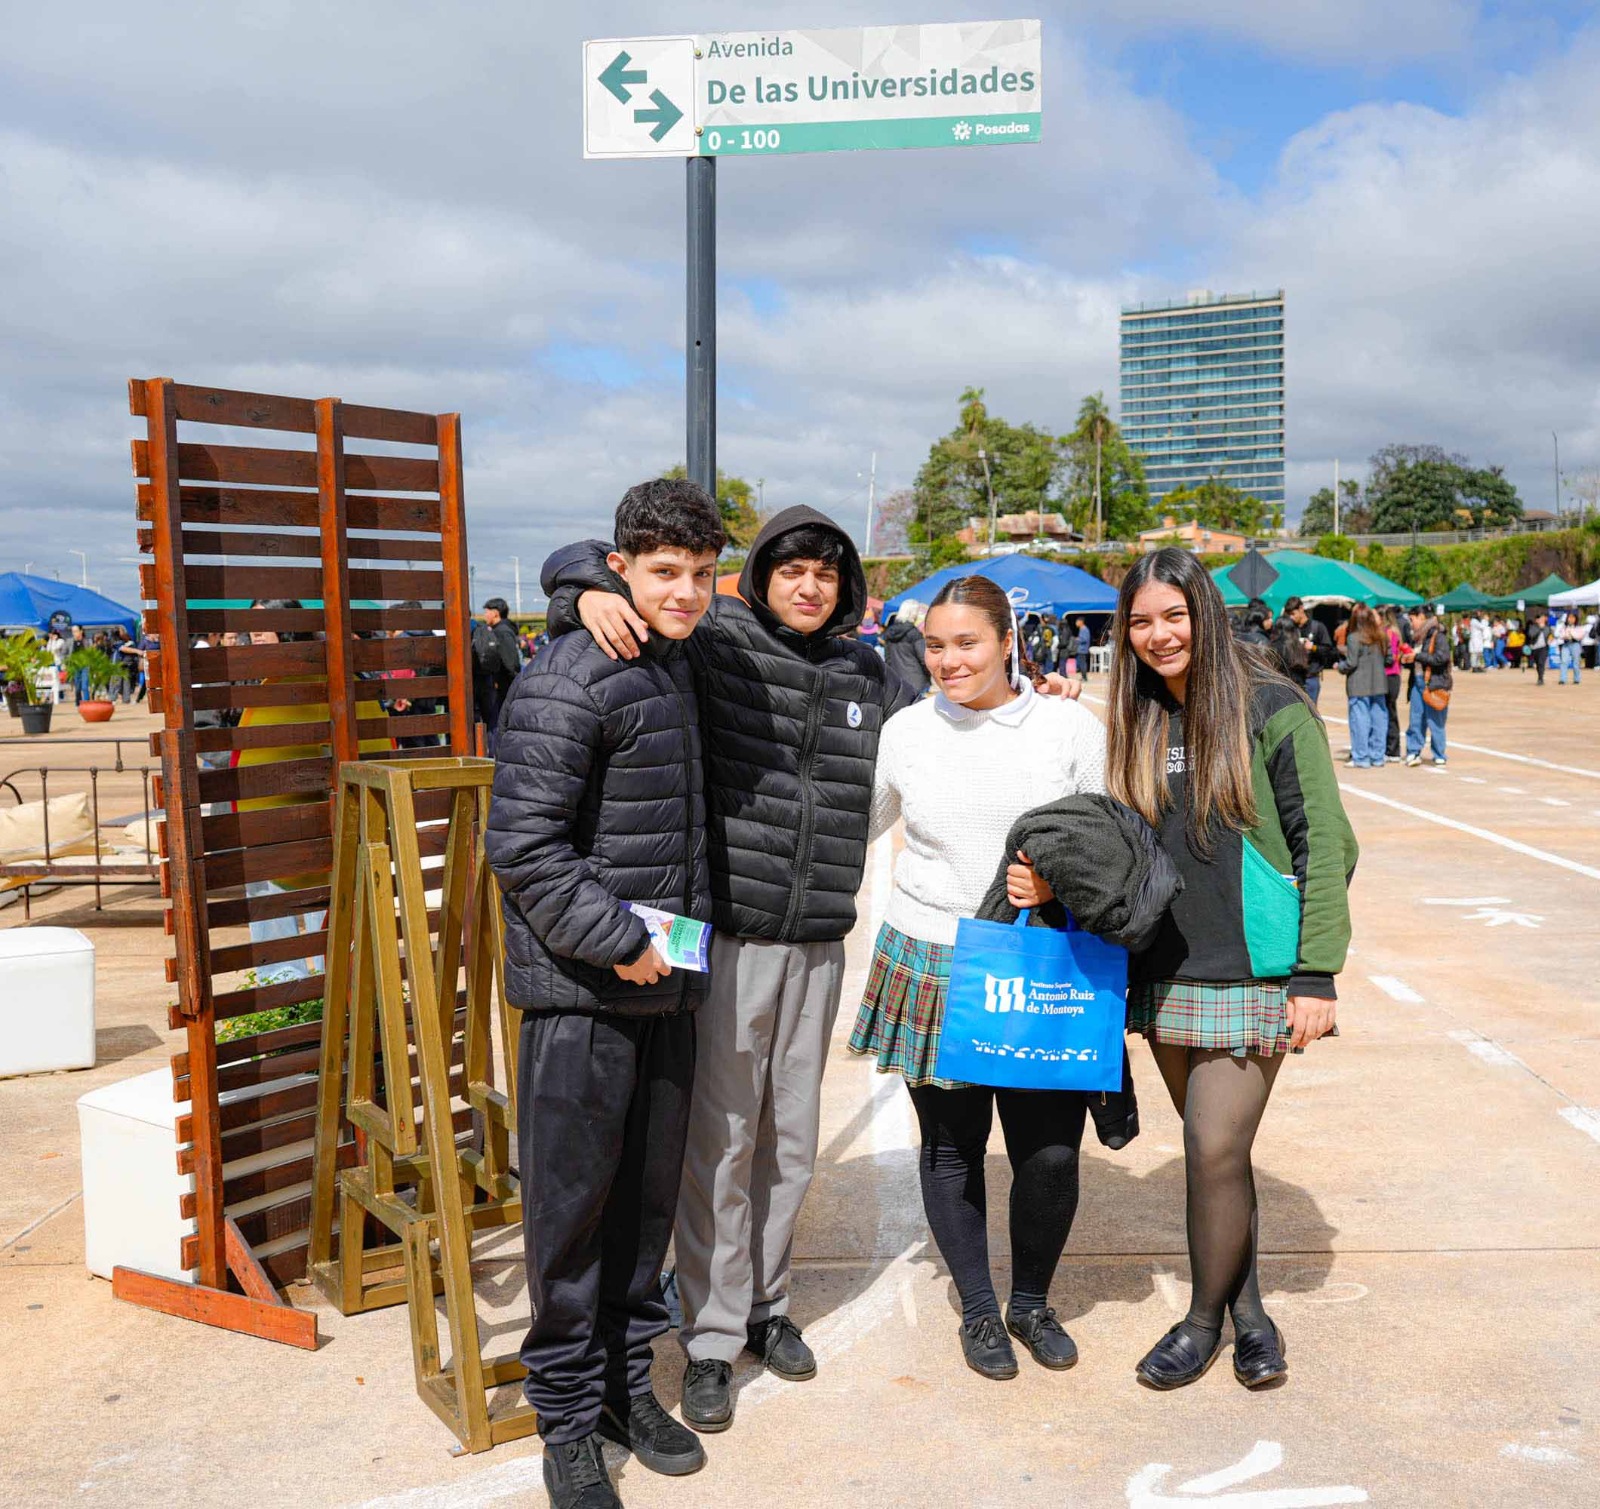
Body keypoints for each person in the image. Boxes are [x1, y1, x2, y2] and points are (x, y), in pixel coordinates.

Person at [542, 504, 919, 1436]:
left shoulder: (864, 668)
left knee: (791, 1138)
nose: (808, 585)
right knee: (719, 1140)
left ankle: (765, 1304)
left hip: (821, 937)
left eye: (827, 572)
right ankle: (709, 1335)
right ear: (756, 576)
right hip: (731, 935)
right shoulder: (719, 641)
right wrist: (582, 584)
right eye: (790, 568)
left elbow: (950, 691)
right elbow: (605, 567)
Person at [486, 478, 725, 1509]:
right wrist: (618, 939)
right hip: (582, 997)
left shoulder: (675, 663)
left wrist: (657, 960)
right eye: (665, 572)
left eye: (702, 574)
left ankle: (631, 1389)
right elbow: (524, 848)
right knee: (571, 1225)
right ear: (621, 568)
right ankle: (569, 1425)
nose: (687, 592)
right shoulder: (567, 677)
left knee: (642, 1219)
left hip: (666, 993)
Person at [1107, 548, 1356, 1391]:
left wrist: (1316, 973)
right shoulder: (1136, 714)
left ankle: (1202, 1321)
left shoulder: (1272, 705)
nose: (1157, 634)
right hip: (1165, 968)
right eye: (1140, 621)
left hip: (1254, 969)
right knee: (1219, 1153)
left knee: (1213, 1145)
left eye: (1172, 615)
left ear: (1204, 613)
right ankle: (1251, 1315)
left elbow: (1329, 844)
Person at [849, 575, 1108, 1382]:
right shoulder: (905, 731)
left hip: (1040, 960)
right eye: (935, 644)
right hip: (935, 955)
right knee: (953, 1148)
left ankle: (1031, 1301)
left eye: (967, 642)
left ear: (1008, 640)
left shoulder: (1068, 724)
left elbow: (1109, 840)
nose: (949, 660)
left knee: (1051, 1153)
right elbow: (856, 824)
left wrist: (1061, 882)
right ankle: (981, 1309)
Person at [1338, 606, 1390, 768]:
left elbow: (1351, 663)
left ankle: (1361, 756)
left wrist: (1340, 666)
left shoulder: (1354, 638)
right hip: (1379, 683)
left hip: (1359, 685)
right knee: (1379, 720)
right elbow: (1389, 659)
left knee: (1359, 721)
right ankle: (1377, 756)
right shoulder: (1381, 636)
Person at [1402, 604, 1452, 767]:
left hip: (1434, 683)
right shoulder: (1417, 637)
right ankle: (1413, 751)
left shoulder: (1438, 635)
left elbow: (1441, 659)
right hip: (1417, 682)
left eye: (1412, 619)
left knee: (1436, 720)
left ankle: (1439, 753)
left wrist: (1417, 656)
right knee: (1416, 719)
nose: (1411, 623)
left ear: (1422, 617)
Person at [472, 597, 521, 755]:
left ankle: (497, 755)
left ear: (495, 613)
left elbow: (510, 661)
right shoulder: (505, 630)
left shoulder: (502, 632)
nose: (485, 616)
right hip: (505, 685)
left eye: (487, 612)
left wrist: (508, 681)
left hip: (505, 685)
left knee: (498, 722)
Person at [881, 606, 932, 697]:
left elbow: (888, 659)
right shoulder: (913, 633)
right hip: (917, 680)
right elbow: (924, 658)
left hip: (898, 682)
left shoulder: (889, 632)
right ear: (913, 614)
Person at [1380, 607, 1404, 762]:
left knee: (1387, 712)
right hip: (1395, 674)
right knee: (1391, 711)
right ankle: (1393, 748)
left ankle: (1391, 748)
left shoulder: (1387, 633)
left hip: (1388, 674)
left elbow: (1389, 656)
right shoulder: (1396, 632)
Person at [1557, 613, 1584, 685]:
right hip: (1566, 644)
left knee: (1576, 662)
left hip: (1575, 644)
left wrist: (1571, 632)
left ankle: (1576, 679)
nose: (1571, 619)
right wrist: (1565, 635)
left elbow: (1579, 636)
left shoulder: (1578, 627)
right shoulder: (1564, 627)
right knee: (1564, 661)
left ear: (1575, 619)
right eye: (1569, 617)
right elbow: (1561, 635)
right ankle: (1562, 679)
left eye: (1573, 618)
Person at [1527, 612, 1549, 686]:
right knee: (1537, 663)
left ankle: (1541, 678)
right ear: (1536, 620)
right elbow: (1531, 635)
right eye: (1540, 619)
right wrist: (1540, 629)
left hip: (1544, 647)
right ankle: (1540, 676)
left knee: (1541, 662)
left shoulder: (1547, 627)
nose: (1542, 620)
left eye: (1543, 618)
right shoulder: (1533, 627)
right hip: (1535, 647)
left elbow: (1550, 635)